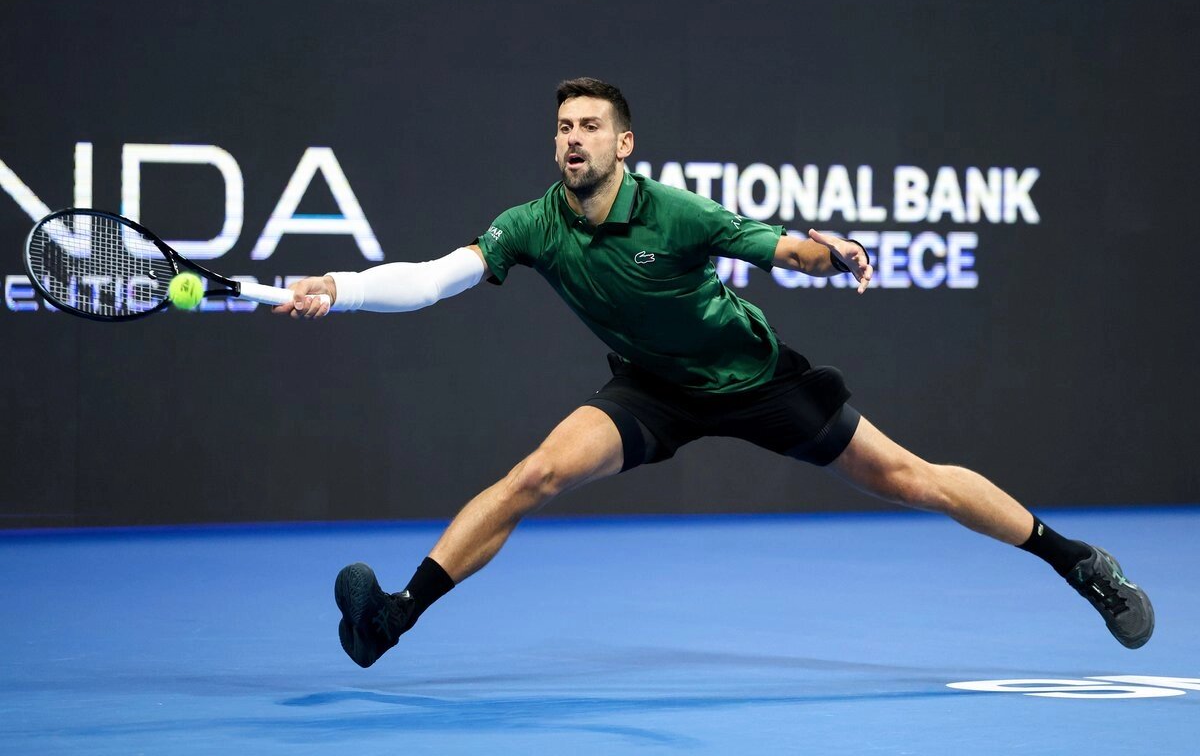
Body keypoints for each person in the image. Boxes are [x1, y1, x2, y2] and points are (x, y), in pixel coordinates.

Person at [276, 77, 1154, 668]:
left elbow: (783, 249)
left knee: (910, 479)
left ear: (624, 143)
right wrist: (342, 288)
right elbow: (435, 278)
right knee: (535, 474)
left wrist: (834, 251)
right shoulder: (532, 224)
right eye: (563, 127)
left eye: (589, 126)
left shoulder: (677, 212)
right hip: (652, 390)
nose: (573, 139)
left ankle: (1077, 562)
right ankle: (392, 617)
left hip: (757, 382)